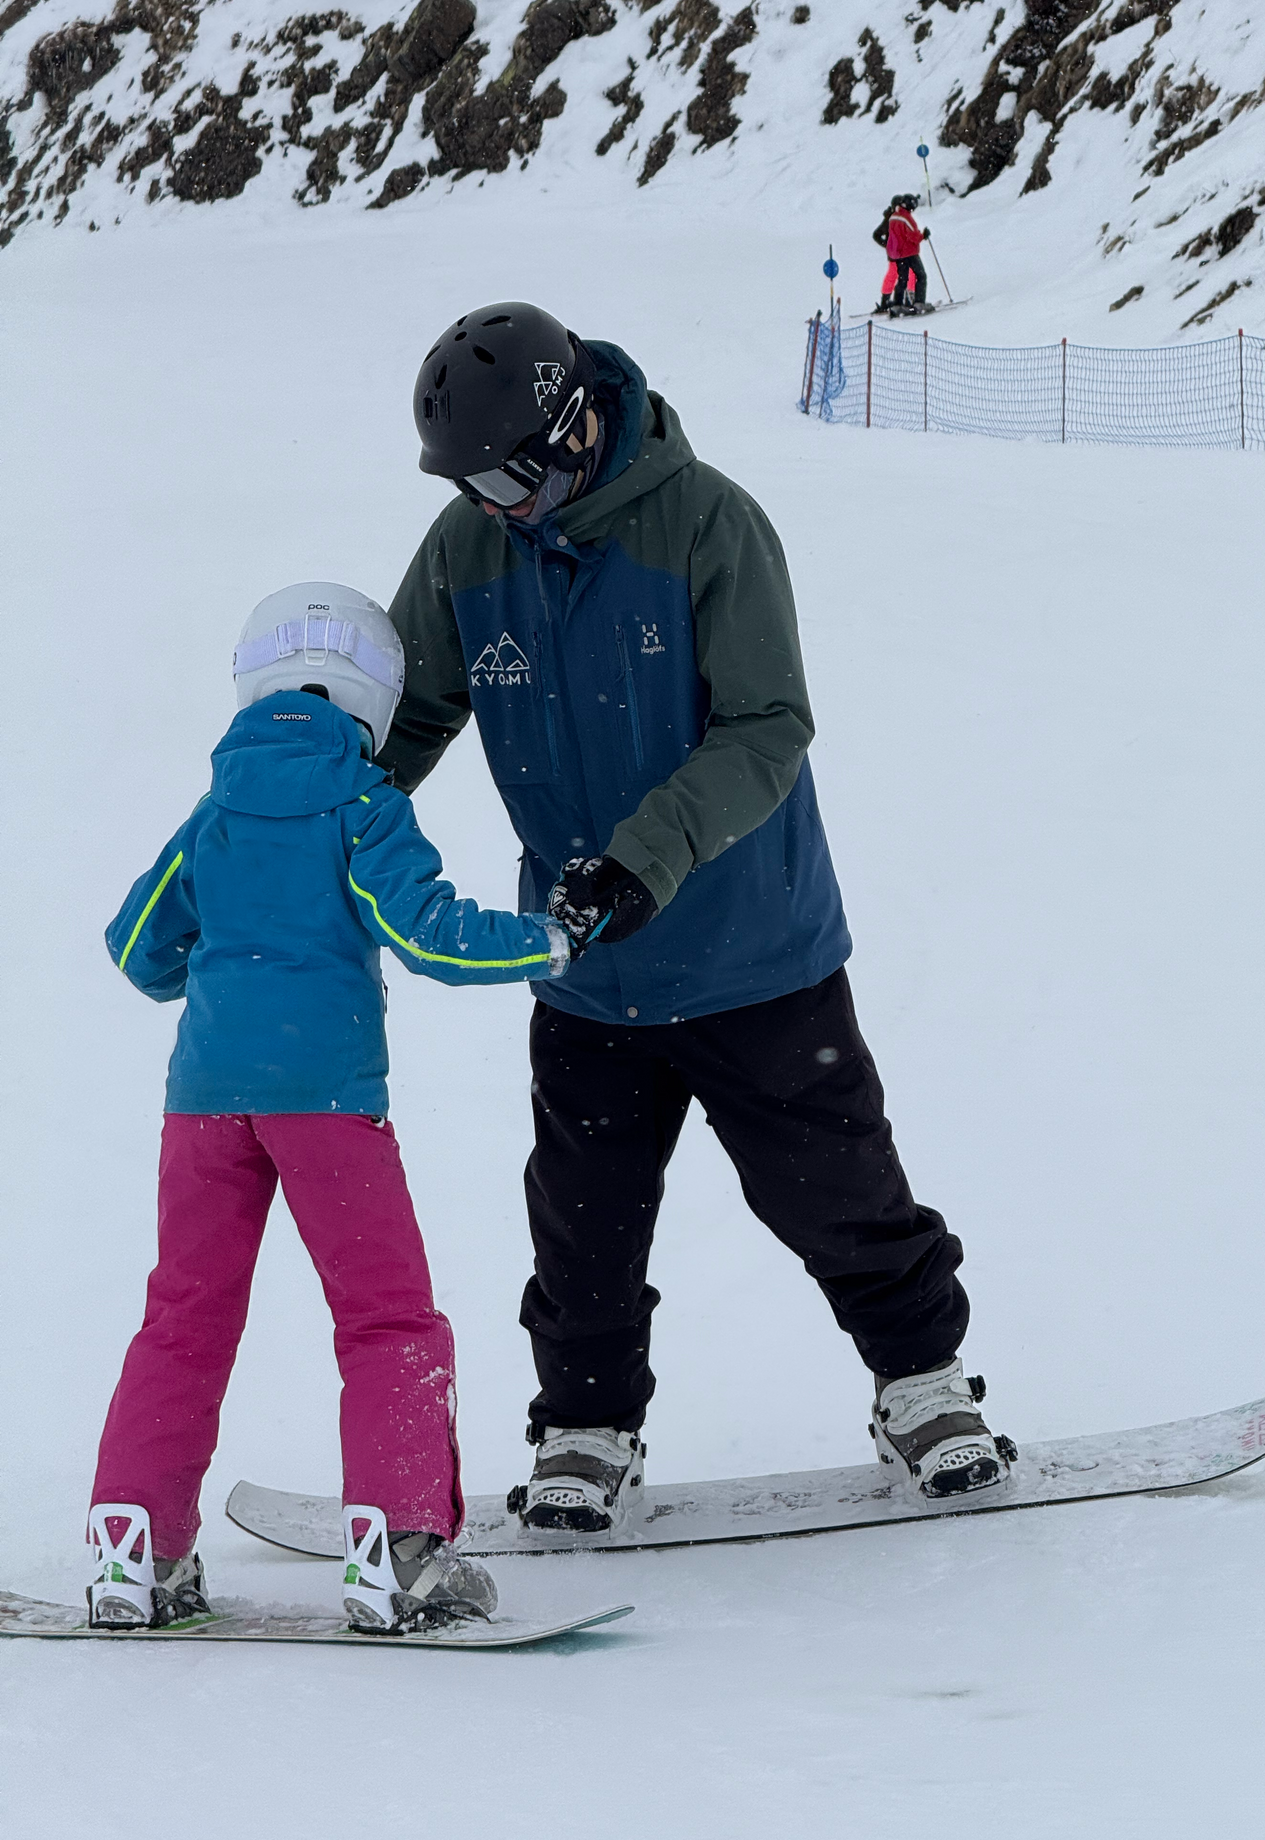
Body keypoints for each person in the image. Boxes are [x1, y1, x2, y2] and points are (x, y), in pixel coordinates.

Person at [383, 302, 1014, 1534]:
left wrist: (641, 859)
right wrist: (312, 812)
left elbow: (766, 725)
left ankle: (922, 1385)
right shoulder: (469, 548)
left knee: (834, 1190)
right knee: (582, 1223)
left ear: (575, 425)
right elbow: (408, 713)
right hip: (582, 969)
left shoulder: (706, 524)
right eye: (469, 483)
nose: (494, 503)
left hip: (750, 951)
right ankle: (583, 1426)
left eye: (509, 474)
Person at [87, 582, 570, 1631]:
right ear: (373, 698)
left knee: (183, 1317)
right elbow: (432, 935)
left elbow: (135, 946)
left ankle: (135, 1547)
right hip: (327, 1105)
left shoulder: (214, 813)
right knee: (386, 1317)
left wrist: (210, 972)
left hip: (204, 1105)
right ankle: (398, 1555)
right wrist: (548, 938)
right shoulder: (362, 806)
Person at [886, 193, 931, 313]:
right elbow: (913, 236)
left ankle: (897, 304)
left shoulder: (893, 217)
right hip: (909, 252)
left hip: (897, 253)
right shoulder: (906, 218)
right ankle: (919, 302)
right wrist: (923, 235)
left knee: (902, 278)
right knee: (921, 276)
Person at [871, 198, 917, 314]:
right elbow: (876, 234)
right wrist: (888, 245)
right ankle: (903, 300)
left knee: (902, 274)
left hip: (901, 253)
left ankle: (895, 300)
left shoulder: (898, 217)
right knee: (901, 274)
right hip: (897, 254)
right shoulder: (891, 219)